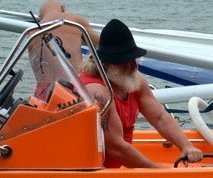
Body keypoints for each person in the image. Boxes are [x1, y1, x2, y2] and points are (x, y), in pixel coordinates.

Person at [80, 18, 203, 168]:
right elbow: (115, 148)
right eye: (124, 61)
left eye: (133, 59)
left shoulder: (135, 80)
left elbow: (159, 117)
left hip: (115, 169)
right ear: (106, 63)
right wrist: (158, 170)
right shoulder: (97, 92)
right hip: (92, 172)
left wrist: (186, 146)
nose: (132, 65)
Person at [28, 0, 101, 100]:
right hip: (71, 87)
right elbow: (100, 43)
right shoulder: (73, 20)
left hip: (43, 92)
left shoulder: (32, 32)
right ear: (63, 8)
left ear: (40, 16)